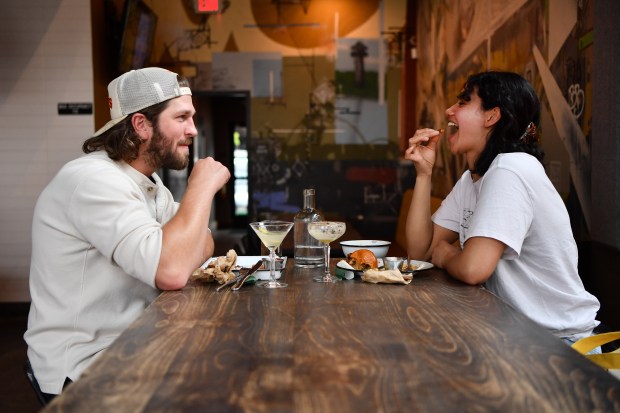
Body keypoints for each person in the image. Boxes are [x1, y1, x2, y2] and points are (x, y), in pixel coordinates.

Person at [24, 67, 231, 401]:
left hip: (135, 342)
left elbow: (202, 242)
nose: (192, 129)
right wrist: (201, 188)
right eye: (181, 117)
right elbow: (174, 270)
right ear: (141, 125)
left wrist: (183, 240)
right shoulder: (93, 180)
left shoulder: (148, 183)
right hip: (84, 366)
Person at [404, 71, 600, 344]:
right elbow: (419, 252)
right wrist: (423, 174)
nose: (449, 110)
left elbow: (473, 269)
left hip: (558, 343)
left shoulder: (510, 169)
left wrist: (447, 254)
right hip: (514, 334)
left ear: (491, 116)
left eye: (463, 102)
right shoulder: (473, 179)